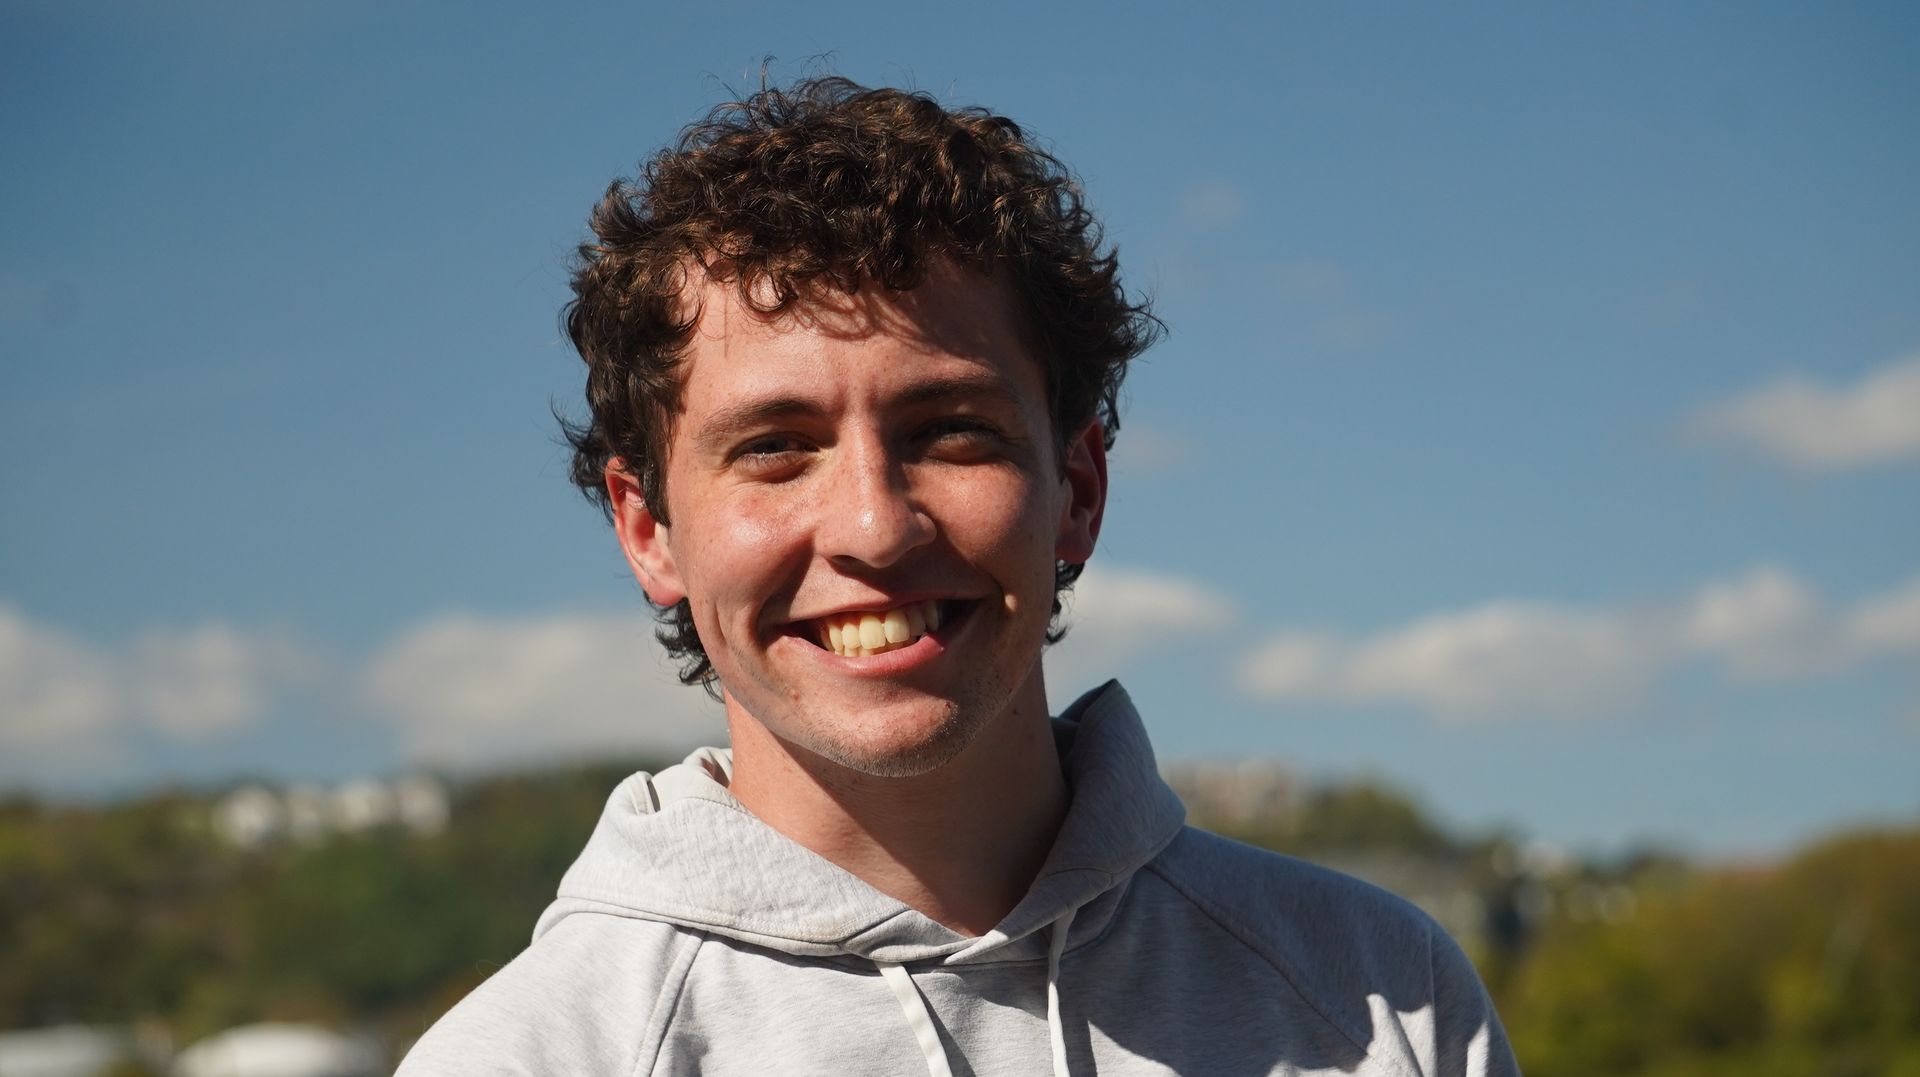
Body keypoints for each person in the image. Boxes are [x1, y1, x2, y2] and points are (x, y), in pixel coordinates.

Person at [396, 77, 1520, 1076]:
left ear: (1077, 489)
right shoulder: (537, 1053)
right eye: (775, 447)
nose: (875, 528)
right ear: (649, 532)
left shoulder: (1383, 1003)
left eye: (950, 431)